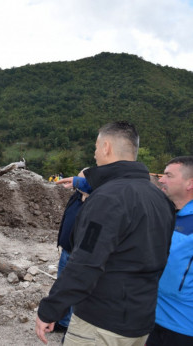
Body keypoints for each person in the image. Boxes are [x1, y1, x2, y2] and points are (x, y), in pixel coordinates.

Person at [35, 121, 176, 345]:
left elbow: (85, 263)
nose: (94, 154)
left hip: (101, 323)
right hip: (140, 321)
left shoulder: (108, 198)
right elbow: (161, 256)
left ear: (107, 147)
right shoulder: (159, 197)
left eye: (96, 147)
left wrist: (50, 309)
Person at [146, 156, 193, 346]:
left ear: (190, 183)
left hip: (182, 327)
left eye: (168, 175)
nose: (161, 179)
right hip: (149, 317)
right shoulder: (165, 214)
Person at [54, 168, 90, 333]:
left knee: (75, 289)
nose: (77, 183)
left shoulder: (95, 202)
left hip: (80, 256)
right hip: (66, 251)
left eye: (81, 180)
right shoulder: (76, 197)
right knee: (62, 286)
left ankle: (71, 324)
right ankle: (61, 321)